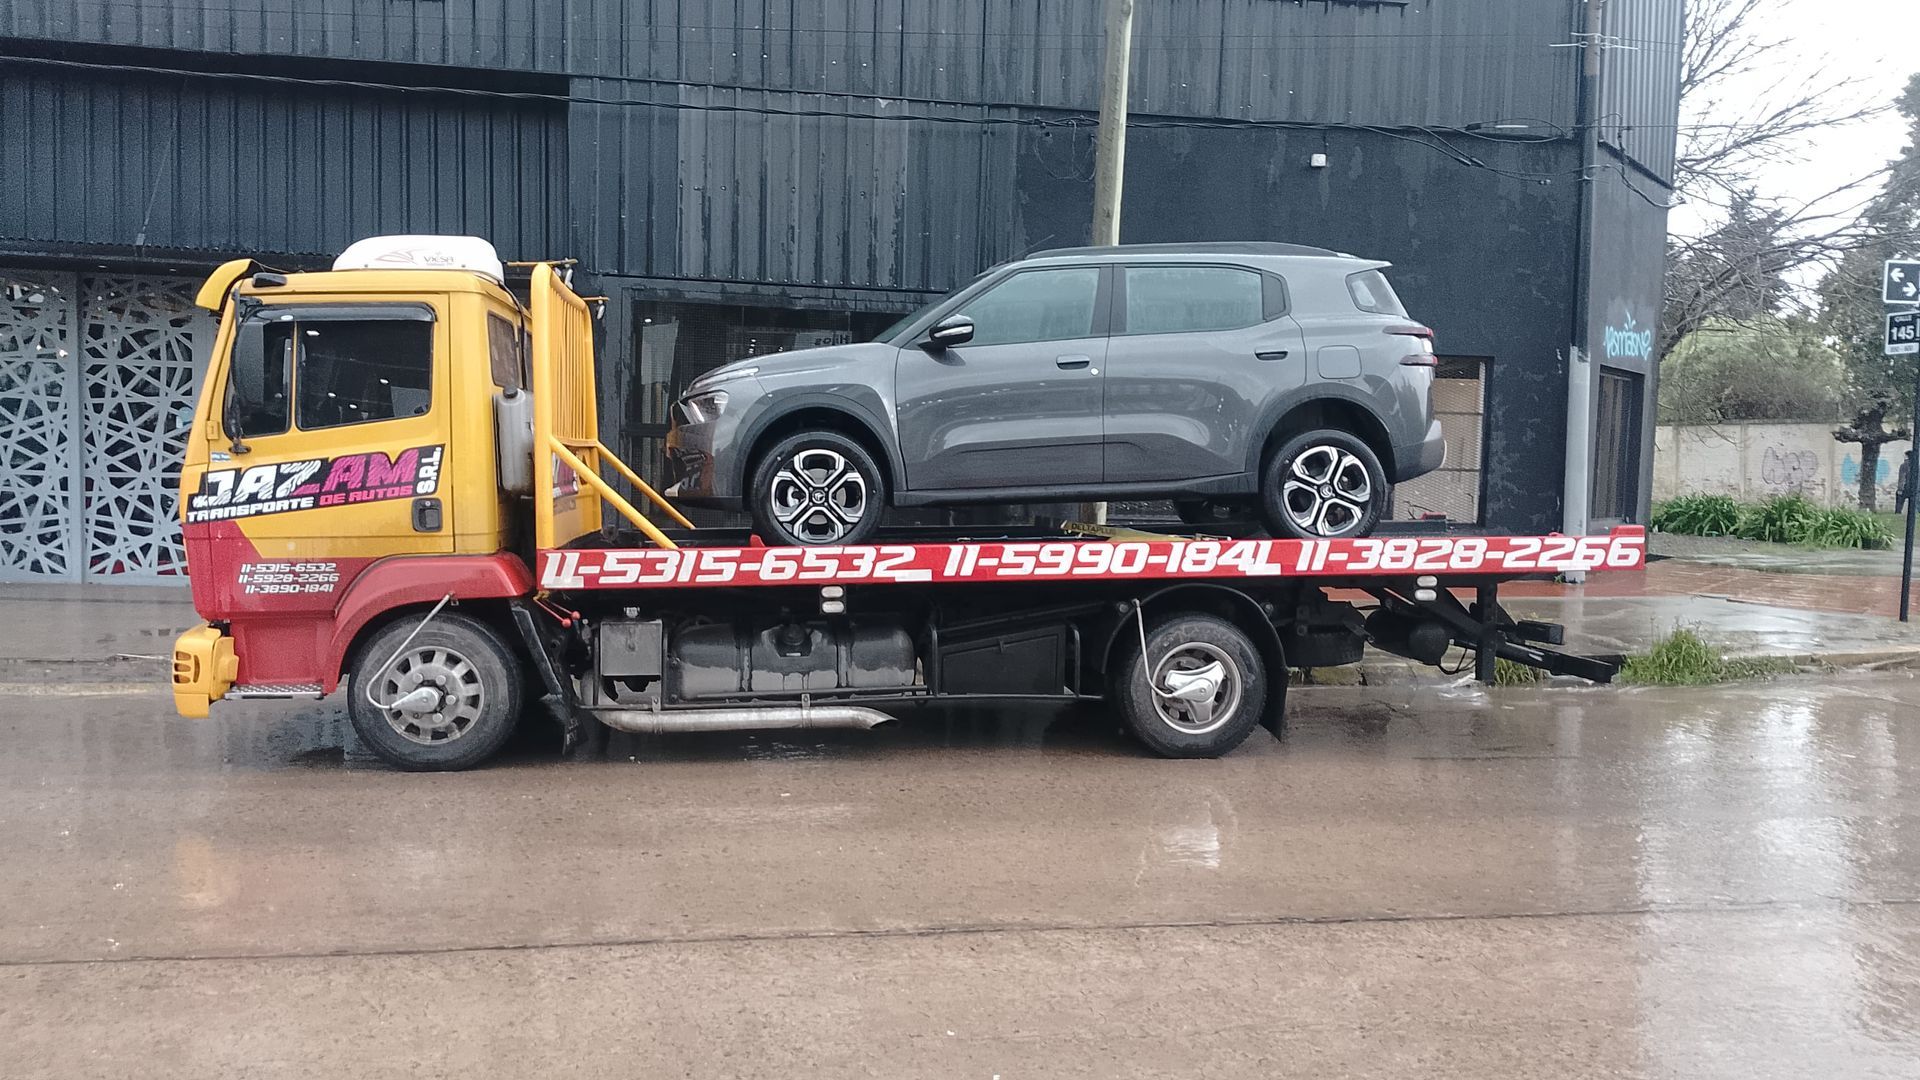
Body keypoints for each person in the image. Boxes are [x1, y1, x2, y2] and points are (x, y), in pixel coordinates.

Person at [1899, 451, 1914, 516]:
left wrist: (1900, 488)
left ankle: (1898, 512)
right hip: (1915, 487)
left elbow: (1902, 477)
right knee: (1915, 502)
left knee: (1900, 501)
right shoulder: (1917, 465)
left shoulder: (1903, 465)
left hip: (1906, 486)